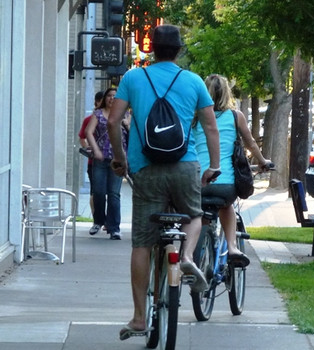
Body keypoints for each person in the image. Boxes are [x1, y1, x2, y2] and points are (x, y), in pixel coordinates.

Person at [106, 25, 220, 340]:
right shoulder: (193, 81)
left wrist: (120, 159)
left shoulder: (132, 78)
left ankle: (140, 318)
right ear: (180, 50)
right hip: (185, 166)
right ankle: (185, 257)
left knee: (142, 242)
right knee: (194, 215)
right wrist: (214, 165)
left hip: (145, 168)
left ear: (152, 49)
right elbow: (210, 126)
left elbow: (113, 121)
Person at [194, 74, 273, 267]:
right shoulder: (236, 116)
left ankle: (196, 253)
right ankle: (232, 248)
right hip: (225, 182)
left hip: (198, 182)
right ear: (226, 93)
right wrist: (263, 161)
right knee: (227, 206)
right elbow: (251, 143)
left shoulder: (194, 116)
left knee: (201, 213)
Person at [85, 87, 129, 240]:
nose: (112, 98)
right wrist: (96, 150)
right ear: (105, 98)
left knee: (114, 194)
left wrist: (126, 123)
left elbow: (132, 133)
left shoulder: (125, 114)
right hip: (101, 158)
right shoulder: (98, 114)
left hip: (118, 159)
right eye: (109, 95)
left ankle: (114, 228)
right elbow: (88, 132)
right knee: (98, 191)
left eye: (115, 96)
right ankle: (98, 221)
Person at [79, 91, 104, 235]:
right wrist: (89, 147)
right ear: (96, 102)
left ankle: (109, 222)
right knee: (96, 192)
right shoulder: (89, 119)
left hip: (111, 160)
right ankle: (97, 219)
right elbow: (82, 137)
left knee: (111, 194)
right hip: (93, 162)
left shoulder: (116, 118)